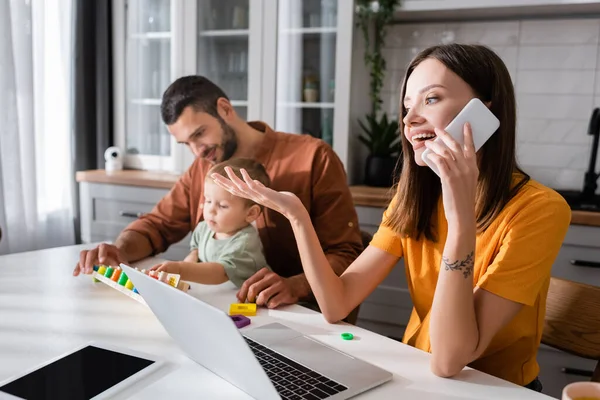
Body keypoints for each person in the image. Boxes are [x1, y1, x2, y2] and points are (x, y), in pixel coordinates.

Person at [211, 44, 571, 390]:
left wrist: (460, 222)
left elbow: (449, 359)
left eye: (431, 99)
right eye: (406, 106)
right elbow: (336, 304)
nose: (410, 119)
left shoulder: (540, 210)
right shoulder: (415, 197)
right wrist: (297, 215)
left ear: (485, 114)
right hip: (418, 377)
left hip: (495, 389)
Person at [73, 75, 363, 311]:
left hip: (307, 315)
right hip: (238, 313)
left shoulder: (313, 158)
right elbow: (158, 225)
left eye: (199, 134)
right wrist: (119, 249)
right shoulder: (204, 167)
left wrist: (295, 285)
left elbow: (347, 253)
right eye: (186, 143)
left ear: (225, 108)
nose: (197, 151)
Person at [150, 158, 270, 287]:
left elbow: (220, 273)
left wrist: (181, 269)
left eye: (223, 206)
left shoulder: (245, 243)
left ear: (250, 213)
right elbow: (195, 252)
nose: (210, 210)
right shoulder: (204, 228)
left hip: (249, 300)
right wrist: (188, 263)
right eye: (207, 201)